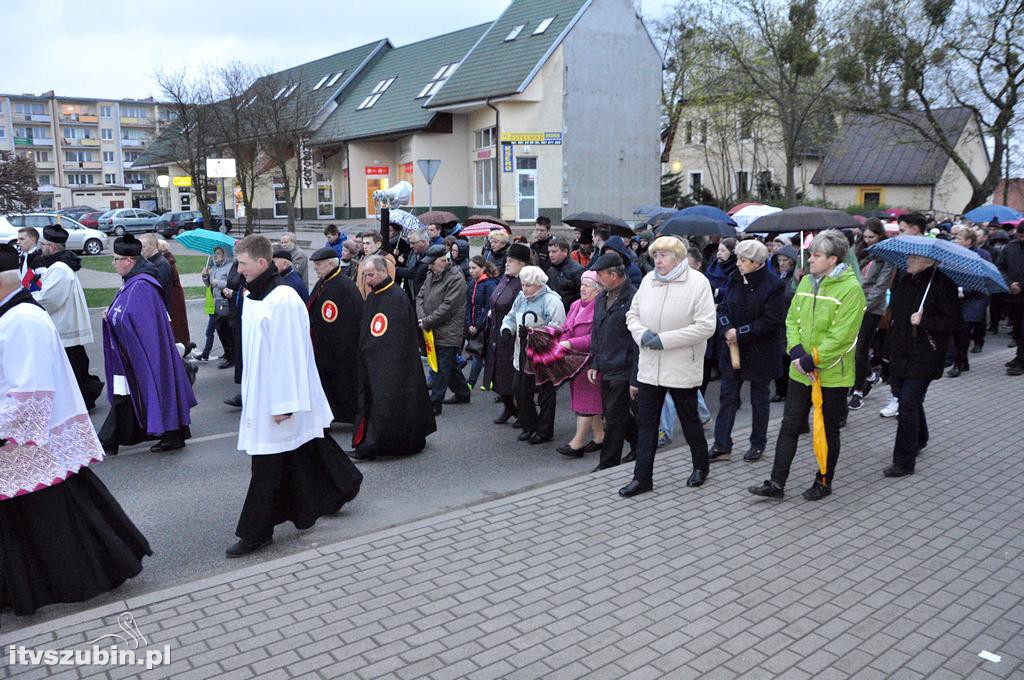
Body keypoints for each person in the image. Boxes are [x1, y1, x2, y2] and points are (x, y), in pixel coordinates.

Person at [0, 245, 151, 616]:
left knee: (54, 517)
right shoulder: (12, 315)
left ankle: (85, 576)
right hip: (28, 439)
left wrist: (6, 428)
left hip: (28, 436)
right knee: (57, 512)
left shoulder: (22, 320)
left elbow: (29, 389)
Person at [228, 235, 362, 557]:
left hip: (278, 401)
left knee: (267, 466)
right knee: (297, 455)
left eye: (243, 263)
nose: (239, 269)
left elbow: (288, 354)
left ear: (262, 263)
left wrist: (284, 405)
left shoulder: (283, 299)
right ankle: (337, 488)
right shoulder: (254, 295)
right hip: (261, 395)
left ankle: (256, 532)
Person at [748, 230, 866, 501]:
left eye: (816, 255)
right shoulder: (805, 283)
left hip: (832, 374)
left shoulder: (851, 289)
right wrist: (797, 352)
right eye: (810, 254)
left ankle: (824, 480)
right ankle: (776, 483)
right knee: (789, 425)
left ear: (833, 259)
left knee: (826, 428)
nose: (809, 260)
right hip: (801, 371)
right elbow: (792, 320)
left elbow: (843, 335)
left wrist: (813, 358)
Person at [619, 236, 716, 497]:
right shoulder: (649, 281)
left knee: (689, 420)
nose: (657, 260)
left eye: (663, 255)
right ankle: (642, 478)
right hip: (650, 366)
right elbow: (632, 315)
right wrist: (642, 335)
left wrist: (664, 340)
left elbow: (706, 326)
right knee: (647, 424)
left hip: (681, 365)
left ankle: (700, 466)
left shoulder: (698, 283)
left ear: (678, 258)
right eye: (656, 255)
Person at [98, 235, 196, 454]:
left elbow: (133, 317)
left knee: (152, 390)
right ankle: (113, 438)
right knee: (131, 395)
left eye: (116, 259)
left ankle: (110, 439)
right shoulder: (133, 282)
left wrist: (111, 316)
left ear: (129, 260)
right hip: (136, 351)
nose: (113, 264)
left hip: (149, 352)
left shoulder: (141, 285)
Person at [882, 254, 962, 477]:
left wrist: (924, 320)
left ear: (928, 261)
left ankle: (904, 462)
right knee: (903, 394)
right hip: (900, 350)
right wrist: (887, 349)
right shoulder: (906, 280)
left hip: (926, 353)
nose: (908, 260)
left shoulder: (943, 284)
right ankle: (920, 437)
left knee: (907, 403)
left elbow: (954, 322)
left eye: (914, 258)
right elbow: (896, 318)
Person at [351, 255, 437, 459]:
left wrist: (377, 356)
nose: (368, 279)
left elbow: (394, 337)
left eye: (371, 275)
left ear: (383, 272)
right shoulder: (374, 296)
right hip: (373, 362)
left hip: (390, 366)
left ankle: (376, 444)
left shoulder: (396, 297)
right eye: (365, 275)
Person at [709, 239, 785, 463]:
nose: (739, 263)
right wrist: (726, 328)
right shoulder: (734, 278)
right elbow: (723, 307)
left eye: (744, 260)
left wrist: (739, 333)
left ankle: (757, 443)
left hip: (760, 352)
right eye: (739, 259)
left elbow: (771, 321)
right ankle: (722, 445)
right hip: (732, 349)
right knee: (727, 397)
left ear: (757, 263)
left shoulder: (773, 285)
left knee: (759, 399)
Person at [30, 225, 103, 410]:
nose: (41, 248)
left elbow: (49, 299)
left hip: (65, 325)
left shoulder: (59, 268)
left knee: (74, 367)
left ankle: (86, 397)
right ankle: (84, 397)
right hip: (66, 324)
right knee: (75, 364)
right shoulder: (58, 266)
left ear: (52, 247)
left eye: (44, 244)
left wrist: (27, 298)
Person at [501, 265, 566, 445]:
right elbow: (511, 316)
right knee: (520, 390)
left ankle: (544, 431)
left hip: (543, 356)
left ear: (539, 284)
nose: (524, 288)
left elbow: (558, 328)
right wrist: (507, 329)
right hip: (521, 353)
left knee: (545, 394)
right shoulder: (521, 298)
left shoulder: (552, 300)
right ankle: (529, 425)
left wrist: (535, 333)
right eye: (523, 284)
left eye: (528, 285)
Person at [589, 254, 639, 471]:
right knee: (613, 413)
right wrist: (594, 361)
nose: (597, 278)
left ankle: (608, 463)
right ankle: (642, 442)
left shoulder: (633, 298)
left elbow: (638, 341)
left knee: (614, 418)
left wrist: (635, 377)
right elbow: (596, 331)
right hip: (606, 364)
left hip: (624, 366)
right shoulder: (602, 297)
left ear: (615, 275)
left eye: (600, 274)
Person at [307, 246, 364, 424]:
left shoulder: (343, 286)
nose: (315, 268)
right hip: (324, 347)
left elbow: (352, 320)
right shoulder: (324, 282)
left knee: (343, 385)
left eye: (318, 265)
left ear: (331, 264)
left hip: (340, 349)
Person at [416, 244, 471, 413]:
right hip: (431, 327)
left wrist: (427, 321)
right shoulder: (431, 274)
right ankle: (463, 393)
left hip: (448, 329)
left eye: (433, 263)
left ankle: (435, 403)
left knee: (442, 367)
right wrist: (423, 318)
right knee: (449, 365)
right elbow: (420, 296)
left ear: (443, 260)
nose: (430, 266)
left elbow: (449, 307)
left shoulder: (456, 278)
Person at [555, 270, 604, 458]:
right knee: (589, 401)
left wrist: (569, 343)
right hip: (575, 360)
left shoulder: (600, 307)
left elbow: (595, 338)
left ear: (598, 290)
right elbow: (567, 328)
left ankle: (577, 444)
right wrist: (564, 341)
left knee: (586, 403)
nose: (583, 288)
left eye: (588, 285)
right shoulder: (575, 304)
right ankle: (600, 436)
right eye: (582, 284)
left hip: (591, 360)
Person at [848, 219, 895, 409]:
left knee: (861, 347)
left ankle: (858, 391)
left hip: (872, 307)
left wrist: (863, 306)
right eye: (865, 236)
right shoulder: (858, 250)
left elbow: (881, 286)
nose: (868, 240)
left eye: (872, 237)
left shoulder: (887, 255)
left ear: (880, 235)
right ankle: (869, 375)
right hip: (853, 301)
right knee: (852, 348)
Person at [485, 243, 531, 424]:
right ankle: (509, 407)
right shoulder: (506, 278)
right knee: (498, 374)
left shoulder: (524, 283)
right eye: (507, 260)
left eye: (511, 261)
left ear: (522, 264)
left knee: (513, 377)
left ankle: (521, 411)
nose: (506, 263)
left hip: (513, 336)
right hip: (497, 333)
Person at [947, 227, 991, 376]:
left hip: (975, 298)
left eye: (959, 238)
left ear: (968, 241)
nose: (956, 241)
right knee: (956, 331)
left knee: (964, 330)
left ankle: (958, 363)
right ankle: (963, 361)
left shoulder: (982, 255)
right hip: (957, 298)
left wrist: (963, 290)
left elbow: (982, 277)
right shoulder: (954, 254)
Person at [770, 244, 800, 402]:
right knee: (778, 358)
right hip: (777, 321)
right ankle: (780, 390)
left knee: (788, 356)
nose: (782, 263)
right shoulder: (776, 277)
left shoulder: (797, 280)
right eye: (779, 260)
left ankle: (789, 391)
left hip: (790, 321)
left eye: (785, 260)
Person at [465, 256, 498, 389]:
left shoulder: (489, 284)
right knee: (478, 354)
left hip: (485, 326)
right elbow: (468, 305)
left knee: (484, 355)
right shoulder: (472, 283)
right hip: (473, 324)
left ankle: (475, 382)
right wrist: (469, 323)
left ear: (483, 268)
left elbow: (488, 307)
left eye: (474, 268)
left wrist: (478, 326)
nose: (471, 271)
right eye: (470, 268)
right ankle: (479, 382)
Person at [157, 239, 192, 347]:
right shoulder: (168, 260)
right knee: (178, 321)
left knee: (176, 321)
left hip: (174, 295)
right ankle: (184, 342)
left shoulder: (167, 262)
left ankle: (182, 344)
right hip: (175, 294)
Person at [1001, 226, 1024, 375]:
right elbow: (1000, 267)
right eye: (1020, 236)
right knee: (1017, 329)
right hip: (1012, 296)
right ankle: (1019, 355)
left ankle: (1021, 361)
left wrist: (1021, 285)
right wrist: (1009, 283)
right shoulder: (1010, 247)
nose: (1021, 239)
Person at [546, 236, 584, 311]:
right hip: (553, 312)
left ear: (565, 252)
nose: (550, 255)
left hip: (571, 313)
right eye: (549, 252)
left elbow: (582, 296)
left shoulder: (577, 271)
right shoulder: (550, 271)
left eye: (554, 252)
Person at [356, 230, 396, 299]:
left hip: (376, 303)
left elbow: (387, 289)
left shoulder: (386, 263)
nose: (364, 246)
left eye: (368, 243)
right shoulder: (364, 259)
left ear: (378, 244)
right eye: (364, 243)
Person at [138, 233, 172, 308]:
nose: (141, 250)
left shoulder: (162, 264)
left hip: (159, 307)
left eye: (143, 247)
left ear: (153, 245)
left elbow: (159, 289)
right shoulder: (150, 262)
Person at [396, 228, 431, 299]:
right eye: (410, 243)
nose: (410, 246)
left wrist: (393, 269)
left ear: (423, 242)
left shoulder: (430, 256)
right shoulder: (416, 253)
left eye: (413, 243)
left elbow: (413, 272)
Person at [16, 227, 41, 291]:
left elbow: (39, 286)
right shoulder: (23, 255)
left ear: (33, 240)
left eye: (22, 239)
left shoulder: (38, 259)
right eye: (18, 239)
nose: (18, 242)